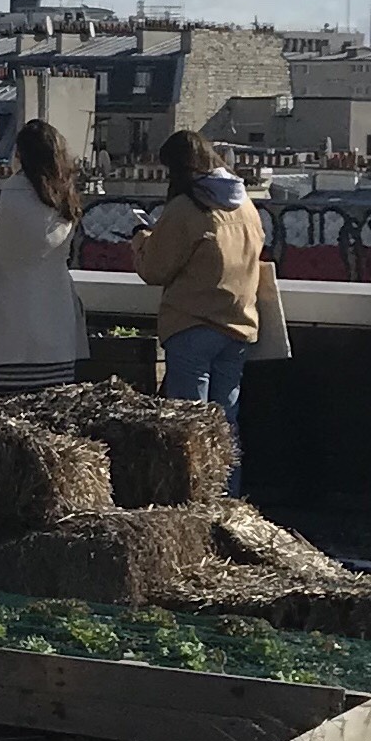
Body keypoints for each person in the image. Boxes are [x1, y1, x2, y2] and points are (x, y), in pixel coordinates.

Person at [131, 127, 263, 489]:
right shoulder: (245, 204)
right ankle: (225, 499)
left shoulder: (187, 208)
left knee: (189, 427)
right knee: (225, 426)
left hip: (192, 325)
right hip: (238, 324)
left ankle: (192, 498)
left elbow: (155, 270)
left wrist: (141, 240)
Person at [0, 116, 89, 392]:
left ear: (19, 155)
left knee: (1, 407)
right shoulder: (65, 202)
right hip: (58, 329)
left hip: (5, 332)